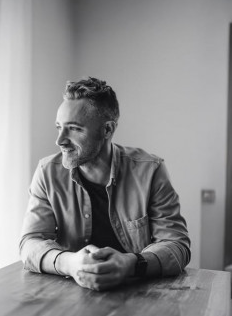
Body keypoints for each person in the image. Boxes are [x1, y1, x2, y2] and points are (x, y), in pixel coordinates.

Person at [20, 77, 190, 291]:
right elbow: (30, 243)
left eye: (73, 129)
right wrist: (69, 263)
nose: (60, 140)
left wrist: (132, 263)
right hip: (69, 295)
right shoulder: (47, 172)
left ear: (107, 130)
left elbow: (177, 245)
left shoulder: (150, 171)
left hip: (140, 295)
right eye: (59, 127)